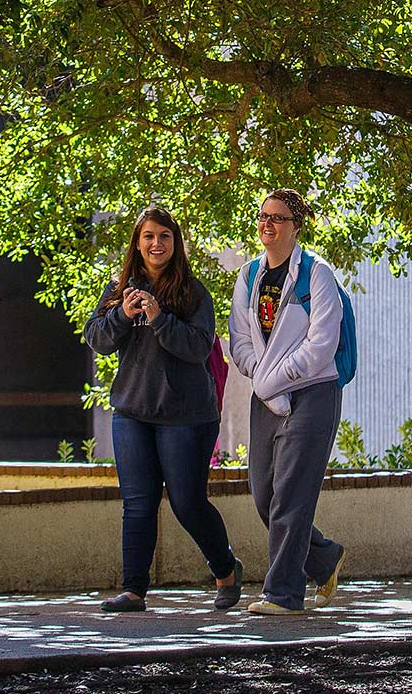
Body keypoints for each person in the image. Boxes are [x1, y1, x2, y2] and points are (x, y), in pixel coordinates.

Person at [83, 205, 243, 613]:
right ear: (138, 244)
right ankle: (134, 590)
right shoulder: (121, 289)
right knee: (138, 502)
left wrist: (158, 318)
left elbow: (197, 347)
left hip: (186, 415)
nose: (157, 244)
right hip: (132, 412)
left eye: (165, 237)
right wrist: (122, 313)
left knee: (187, 502)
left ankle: (226, 570)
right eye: (149, 237)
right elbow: (97, 339)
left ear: (176, 243)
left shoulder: (192, 292)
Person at [227, 187, 347, 615]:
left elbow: (321, 344)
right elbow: (239, 340)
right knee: (265, 496)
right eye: (263, 216)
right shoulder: (249, 276)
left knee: (292, 495)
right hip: (266, 395)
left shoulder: (317, 274)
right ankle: (324, 557)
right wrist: (262, 378)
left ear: (296, 225)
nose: (267, 223)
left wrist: (274, 379)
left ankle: (283, 594)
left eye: (278, 217)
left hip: (313, 392)